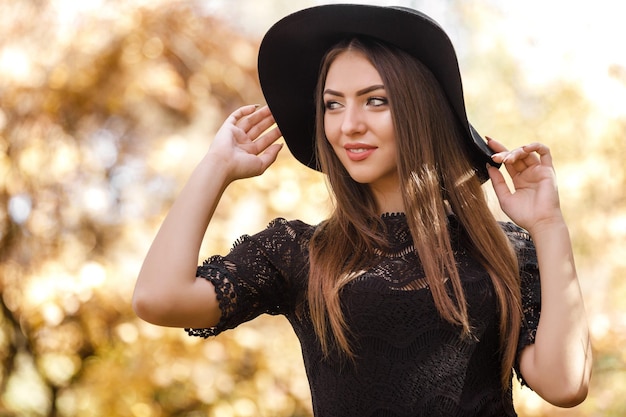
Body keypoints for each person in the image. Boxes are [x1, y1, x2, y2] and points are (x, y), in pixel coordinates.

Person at [132, 4, 592, 416]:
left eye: (375, 100)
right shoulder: (299, 252)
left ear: (419, 109)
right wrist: (216, 167)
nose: (349, 125)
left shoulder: (503, 249)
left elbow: (565, 384)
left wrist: (548, 224)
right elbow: (158, 298)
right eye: (333, 105)